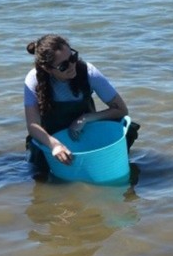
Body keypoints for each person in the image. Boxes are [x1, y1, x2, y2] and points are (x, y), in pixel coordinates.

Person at [24, 34, 131, 170]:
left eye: (72, 58)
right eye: (63, 66)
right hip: (50, 138)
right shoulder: (34, 80)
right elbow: (33, 125)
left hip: (83, 134)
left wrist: (85, 118)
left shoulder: (89, 72)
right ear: (47, 68)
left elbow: (121, 110)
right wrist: (54, 145)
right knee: (38, 174)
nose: (72, 66)